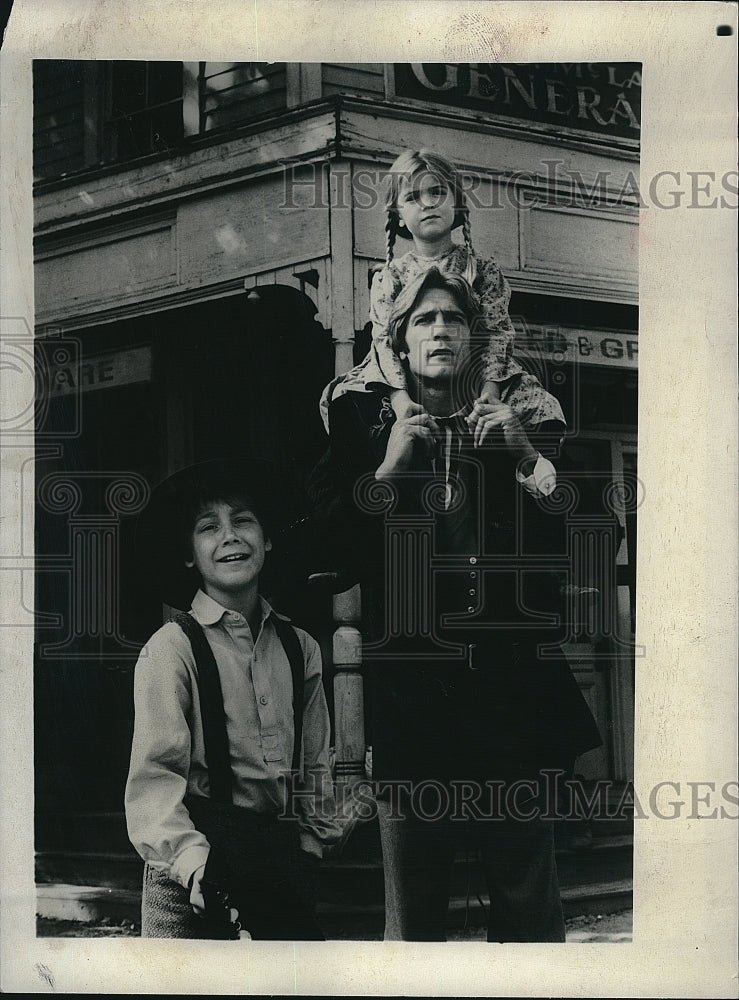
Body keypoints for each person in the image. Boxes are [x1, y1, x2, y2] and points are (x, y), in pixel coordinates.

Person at [308, 269, 605, 942]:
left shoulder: (517, 421)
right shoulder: (364, 428)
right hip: (413, 701)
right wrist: (384, 471)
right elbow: (323, 556)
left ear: (473, 341)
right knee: (414, 910)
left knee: (527, 902)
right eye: (423, 320)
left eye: (452, 319)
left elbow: (584, 541)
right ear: (400, 342)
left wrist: (526, 457)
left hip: (510, 700)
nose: (439, 329)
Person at [125, 459, 341, 940]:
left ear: (266, 539)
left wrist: (309, 845)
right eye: (209, 527)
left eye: (243, 520)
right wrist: (194, 863)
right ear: (189, 555)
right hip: (191, 867)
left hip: (278, 860)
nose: (230, 536)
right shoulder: (171, 649)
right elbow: (155, 780)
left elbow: (315, 763)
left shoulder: (298, 647)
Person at [319, 148, 565, 437]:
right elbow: (384, 342)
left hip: (477, 373)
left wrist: (490, 392)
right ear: (398, 215)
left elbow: (496, 335)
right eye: (412, 197)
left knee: (540, 406)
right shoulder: (391, 276)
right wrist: (400, 400)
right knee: (342, 399)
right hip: (403, 376)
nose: (427, 204)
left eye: (437, 192)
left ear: (457, 204)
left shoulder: (482, 270)